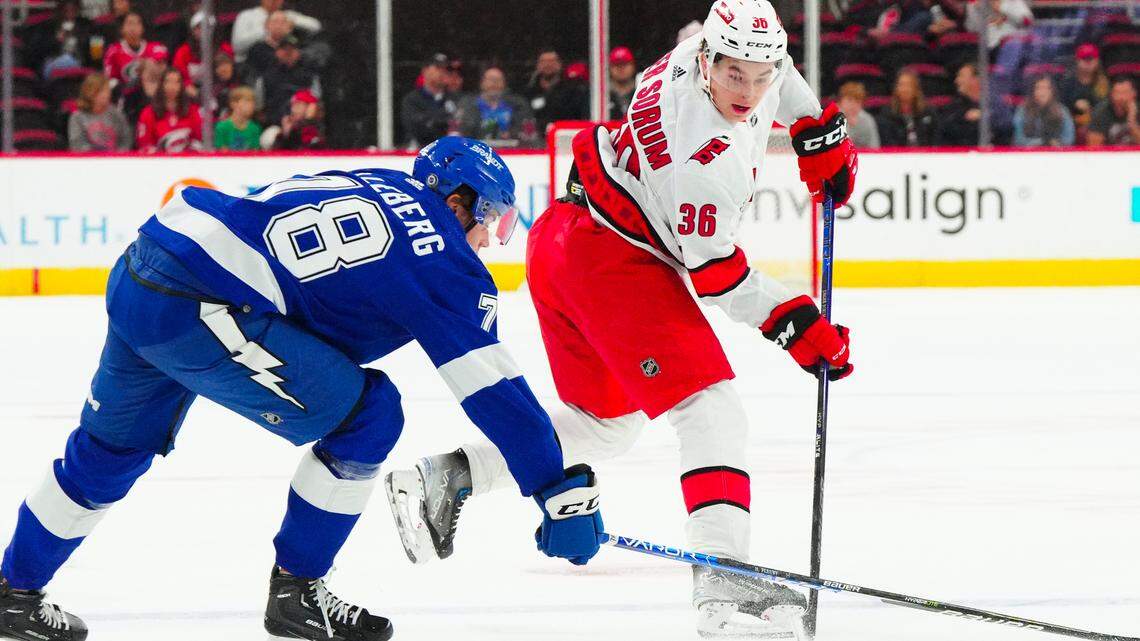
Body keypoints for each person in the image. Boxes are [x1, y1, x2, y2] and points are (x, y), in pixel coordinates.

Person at [0, 137, 604, 641]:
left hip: (145, 266)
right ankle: (298, 590)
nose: (487, 242)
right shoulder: (441, 251)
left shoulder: (377, 180)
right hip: (202, 304)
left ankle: (13, 595)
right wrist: (554, 487)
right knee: (371, 414)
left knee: (108, 451)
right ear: (457, 202)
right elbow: (491, 385)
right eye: (489, 221)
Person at [385, 1, 858, 638]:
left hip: (565, 239)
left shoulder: (700, 53)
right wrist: (796, 323)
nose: (747, 92)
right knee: (709, 409)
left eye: (758, 76)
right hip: (609, 257)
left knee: (604, 425)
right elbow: (717, 275)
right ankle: (726, 591)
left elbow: (780, 70)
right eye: (734, 75)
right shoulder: (702, 162)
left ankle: (446, 476)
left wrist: (815, 124)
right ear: (710, 62)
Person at [456, 66, 536, 147]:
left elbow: (529, 133)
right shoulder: (467, 104)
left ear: (504, 83)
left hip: (512, 152)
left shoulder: (518, 104)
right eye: (490, 79)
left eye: (498, 80)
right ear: (482, 83)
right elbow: (457, 133)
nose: (494, 83)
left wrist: (513, 134)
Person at [135, 68, 203, 153]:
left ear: (182, 86)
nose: (172, 86)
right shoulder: (148, 113)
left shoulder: (193, 110)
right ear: (161, 84)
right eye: (168, 81)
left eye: (177, 82)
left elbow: (199, 140)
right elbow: (144, 145)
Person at [231, 0, 321, 63]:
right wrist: (267, 30)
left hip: (285, 63)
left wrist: (292, 23)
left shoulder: (288, 15)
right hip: (249, 64)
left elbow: (316, 26)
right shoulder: (247, 15)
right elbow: (237, 46)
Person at [257, 35, 321, 124]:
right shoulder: (266, 75)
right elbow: (259, 105)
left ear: (298, 52)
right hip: (275, 123)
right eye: (284, 49)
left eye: (292, 49)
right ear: (277, 52)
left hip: (304, 123)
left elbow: (316, 100)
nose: (288, 52)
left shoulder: (310, 73)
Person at [171, 11, 235, 99]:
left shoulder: (225, 49)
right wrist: (196, 94)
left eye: (207, 27)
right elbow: (180, 78)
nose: (203, 31)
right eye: (199, 27)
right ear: (193, 30)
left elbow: (232, 76)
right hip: (192, 94)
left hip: (221, 92)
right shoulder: (183, 51)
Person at [522, 48, 589, 132]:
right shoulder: (530, 91)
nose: (548, 64)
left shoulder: (572, 91)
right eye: (543, 61)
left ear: (560, 64)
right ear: (538, 65)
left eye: (552, 61)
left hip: (563, 136)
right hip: (536, 140)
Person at [400, 53, 458, 147]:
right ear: (425, 71)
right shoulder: (412, 100)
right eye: (437, 68)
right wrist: (443, 121)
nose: (442, 72)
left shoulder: (455, 99)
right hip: (419, 152)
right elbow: (417, 128)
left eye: (446, 69)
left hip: (449, 152)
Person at [102, 11, 167, 90]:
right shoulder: (113, 50)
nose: (133, 28)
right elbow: (109, 78)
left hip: (151, 93)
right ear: (122, 29)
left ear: (143, 28)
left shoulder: (155, 47)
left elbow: (162, 67)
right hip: (125, 94)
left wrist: (145, 63)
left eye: (137, 24)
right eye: (129, 23)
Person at [68, 73, 133, 151]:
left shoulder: (116, 114)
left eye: (108, 91)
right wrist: (98, 156)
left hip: (115, 160)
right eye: (102, 91)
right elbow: (77, 144)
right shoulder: (77, 117)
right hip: (88, 160)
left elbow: (126, 139)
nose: (107, 95)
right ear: (90, 93)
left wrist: (117, 155)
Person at [1059, 43, 1109, 141]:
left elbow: (1105, 108)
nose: (1088, 63)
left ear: (1097, 61)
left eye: (1091, 59)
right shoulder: (1067, 82)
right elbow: (1062, 108)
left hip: (1097, 126)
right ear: (1077, 61)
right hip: (1071, 125)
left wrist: (1090, 112)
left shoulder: (1104, 83)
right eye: (1084, 59)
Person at [877, 69, 936, 146]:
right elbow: (887, 141)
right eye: (901, 85)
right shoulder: (887, 113)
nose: (905, 89)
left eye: (909, 85)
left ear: (916, 89)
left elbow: (935, 138)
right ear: (896, 88)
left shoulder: (928, 111)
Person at [1012, 76, 1074, 146]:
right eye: (1038, 88)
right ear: (1033, 91)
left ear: (1052, 91)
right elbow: (1018, 139)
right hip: (1028, 153)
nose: (1042, 92)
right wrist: (1042, 142)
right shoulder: (1022, 110)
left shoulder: (1062, 110)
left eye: (1046, 88)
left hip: (1055, 153)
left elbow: (1068, 139)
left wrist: (1055, 144)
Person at [936, 62, 983, 145]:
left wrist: (985, 116)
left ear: (976, 79)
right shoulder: (953, 107)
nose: (956, 81)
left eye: (961, 76)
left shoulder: (993, 105)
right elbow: (946, 130)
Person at [1088, 77, 1140, 146]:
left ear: (1134, 94)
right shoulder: (1101, 111)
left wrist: (1132, 120)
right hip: (1109, 154)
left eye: (1125, 92)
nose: (1120, 97)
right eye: (1117, 93)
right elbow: (1094, 147)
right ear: (1111, 95)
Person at [964, 0, 1032, 51]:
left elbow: (1027, 22)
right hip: (988, 49)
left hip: (1014, 45)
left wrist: (1002, 8)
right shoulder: (974, 3)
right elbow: (971, 29)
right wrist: (976, 10)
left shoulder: (1013, 2)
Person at [214, 86, 262, 151]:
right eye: (247, 101)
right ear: (233, 104)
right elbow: (221, 152)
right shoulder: (222, 127)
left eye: (253, 102)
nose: (251, 105)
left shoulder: (254, 128)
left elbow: (255, 153)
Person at [836, 81, 881, 148]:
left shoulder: (867, 120)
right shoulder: (832, 118)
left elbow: (874, 146)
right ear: (841, 100)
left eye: (857, 101)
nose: (853, 105)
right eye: (849, 100)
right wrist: (850, 127)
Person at [608, 46, 638, 120]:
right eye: (616, 65)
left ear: (633, 66)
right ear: (609, 68)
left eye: (625, 64)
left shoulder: (641, 90)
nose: (621, 68)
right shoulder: (603, 95)